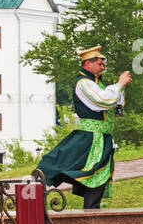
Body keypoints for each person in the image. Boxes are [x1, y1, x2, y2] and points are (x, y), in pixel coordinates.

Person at [35, 45, 129, 209]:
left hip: (101, 137)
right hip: (91, 137)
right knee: (92, 172)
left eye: (103, 63)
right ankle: (38, 184)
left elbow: (110, 101)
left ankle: (92, 211)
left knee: (99, 174)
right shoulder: (84, 83)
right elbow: (103, 101)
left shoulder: (95, 82)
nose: (103, 65)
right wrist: (119, 85)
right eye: (99, 63)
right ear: (87, 64)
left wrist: (119, 89)